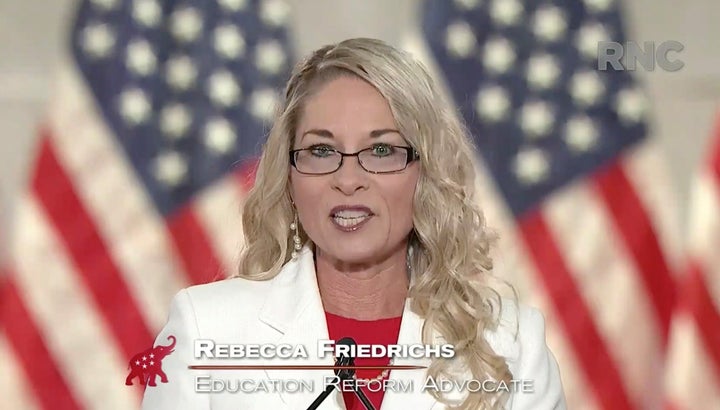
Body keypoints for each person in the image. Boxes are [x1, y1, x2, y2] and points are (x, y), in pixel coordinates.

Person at [140, 38, 566, 410]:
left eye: (381, 151)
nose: (347, 180)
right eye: (322, 151)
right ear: (289, 178)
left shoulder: (511, 344)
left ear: (426, 174)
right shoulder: (206, 331)